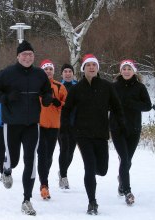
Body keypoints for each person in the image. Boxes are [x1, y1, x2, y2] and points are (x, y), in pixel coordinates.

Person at [0, 40, 52, 216]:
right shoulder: (7, 73)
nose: (27, 57)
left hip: (32, 124)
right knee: (13, 159)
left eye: (30, 54)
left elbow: (47, 91)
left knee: (30, 160)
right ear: (18, 56)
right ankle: (7, 170)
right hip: (12, 124)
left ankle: (27, 200)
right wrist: (6, 98)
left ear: (33, 56)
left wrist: (46, 98)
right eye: (24, 54)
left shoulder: (39, 74)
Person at [61, 54, 126, 215]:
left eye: (94, 65)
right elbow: (66, 109)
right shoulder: (77, 89)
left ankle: (94, 177)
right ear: (83, 68)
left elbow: (117, 107)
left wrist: (121, 124)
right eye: (88, 65)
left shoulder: (107, 86)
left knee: (102, 169)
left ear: (97, 68)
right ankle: (92, 202)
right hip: (82, 134)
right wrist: (66, 126)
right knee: (89, 167)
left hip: (101, 133)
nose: (91, 67)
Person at [110, 59, 153, 205]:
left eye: (129, 69)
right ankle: (127, 191)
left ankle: (121, 182)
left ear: (134, 71)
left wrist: (131, 104)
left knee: (127, 161)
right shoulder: (114, 86)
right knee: (125, 158)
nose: (126, 71)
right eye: (124, 69)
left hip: (134, 129)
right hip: (117, 128)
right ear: (120, 71)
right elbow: (106, 105)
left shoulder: (140, 87)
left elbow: (147, 105)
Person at [37, 59, 67, 200]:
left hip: (54, 126)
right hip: (39, 126)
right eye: (45, 69)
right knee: (42, 156)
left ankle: (44, 180)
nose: (48, 71)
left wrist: (58, 102)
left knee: (48, 157)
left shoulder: (59, 86)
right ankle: (44, 185)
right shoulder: (36, 85)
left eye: (50, 69)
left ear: (53, 71)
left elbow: (67, 104)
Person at [57, 63, 78, 189]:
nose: (68, 73)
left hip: (76, 123)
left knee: (70, 152)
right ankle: (63, 177)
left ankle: (62, 171)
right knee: (64, 149)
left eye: (70, 71)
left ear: (73, 73)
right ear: (61, 74)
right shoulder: (58, 86)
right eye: (65, 71)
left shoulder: (79, 86)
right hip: (61, 123)